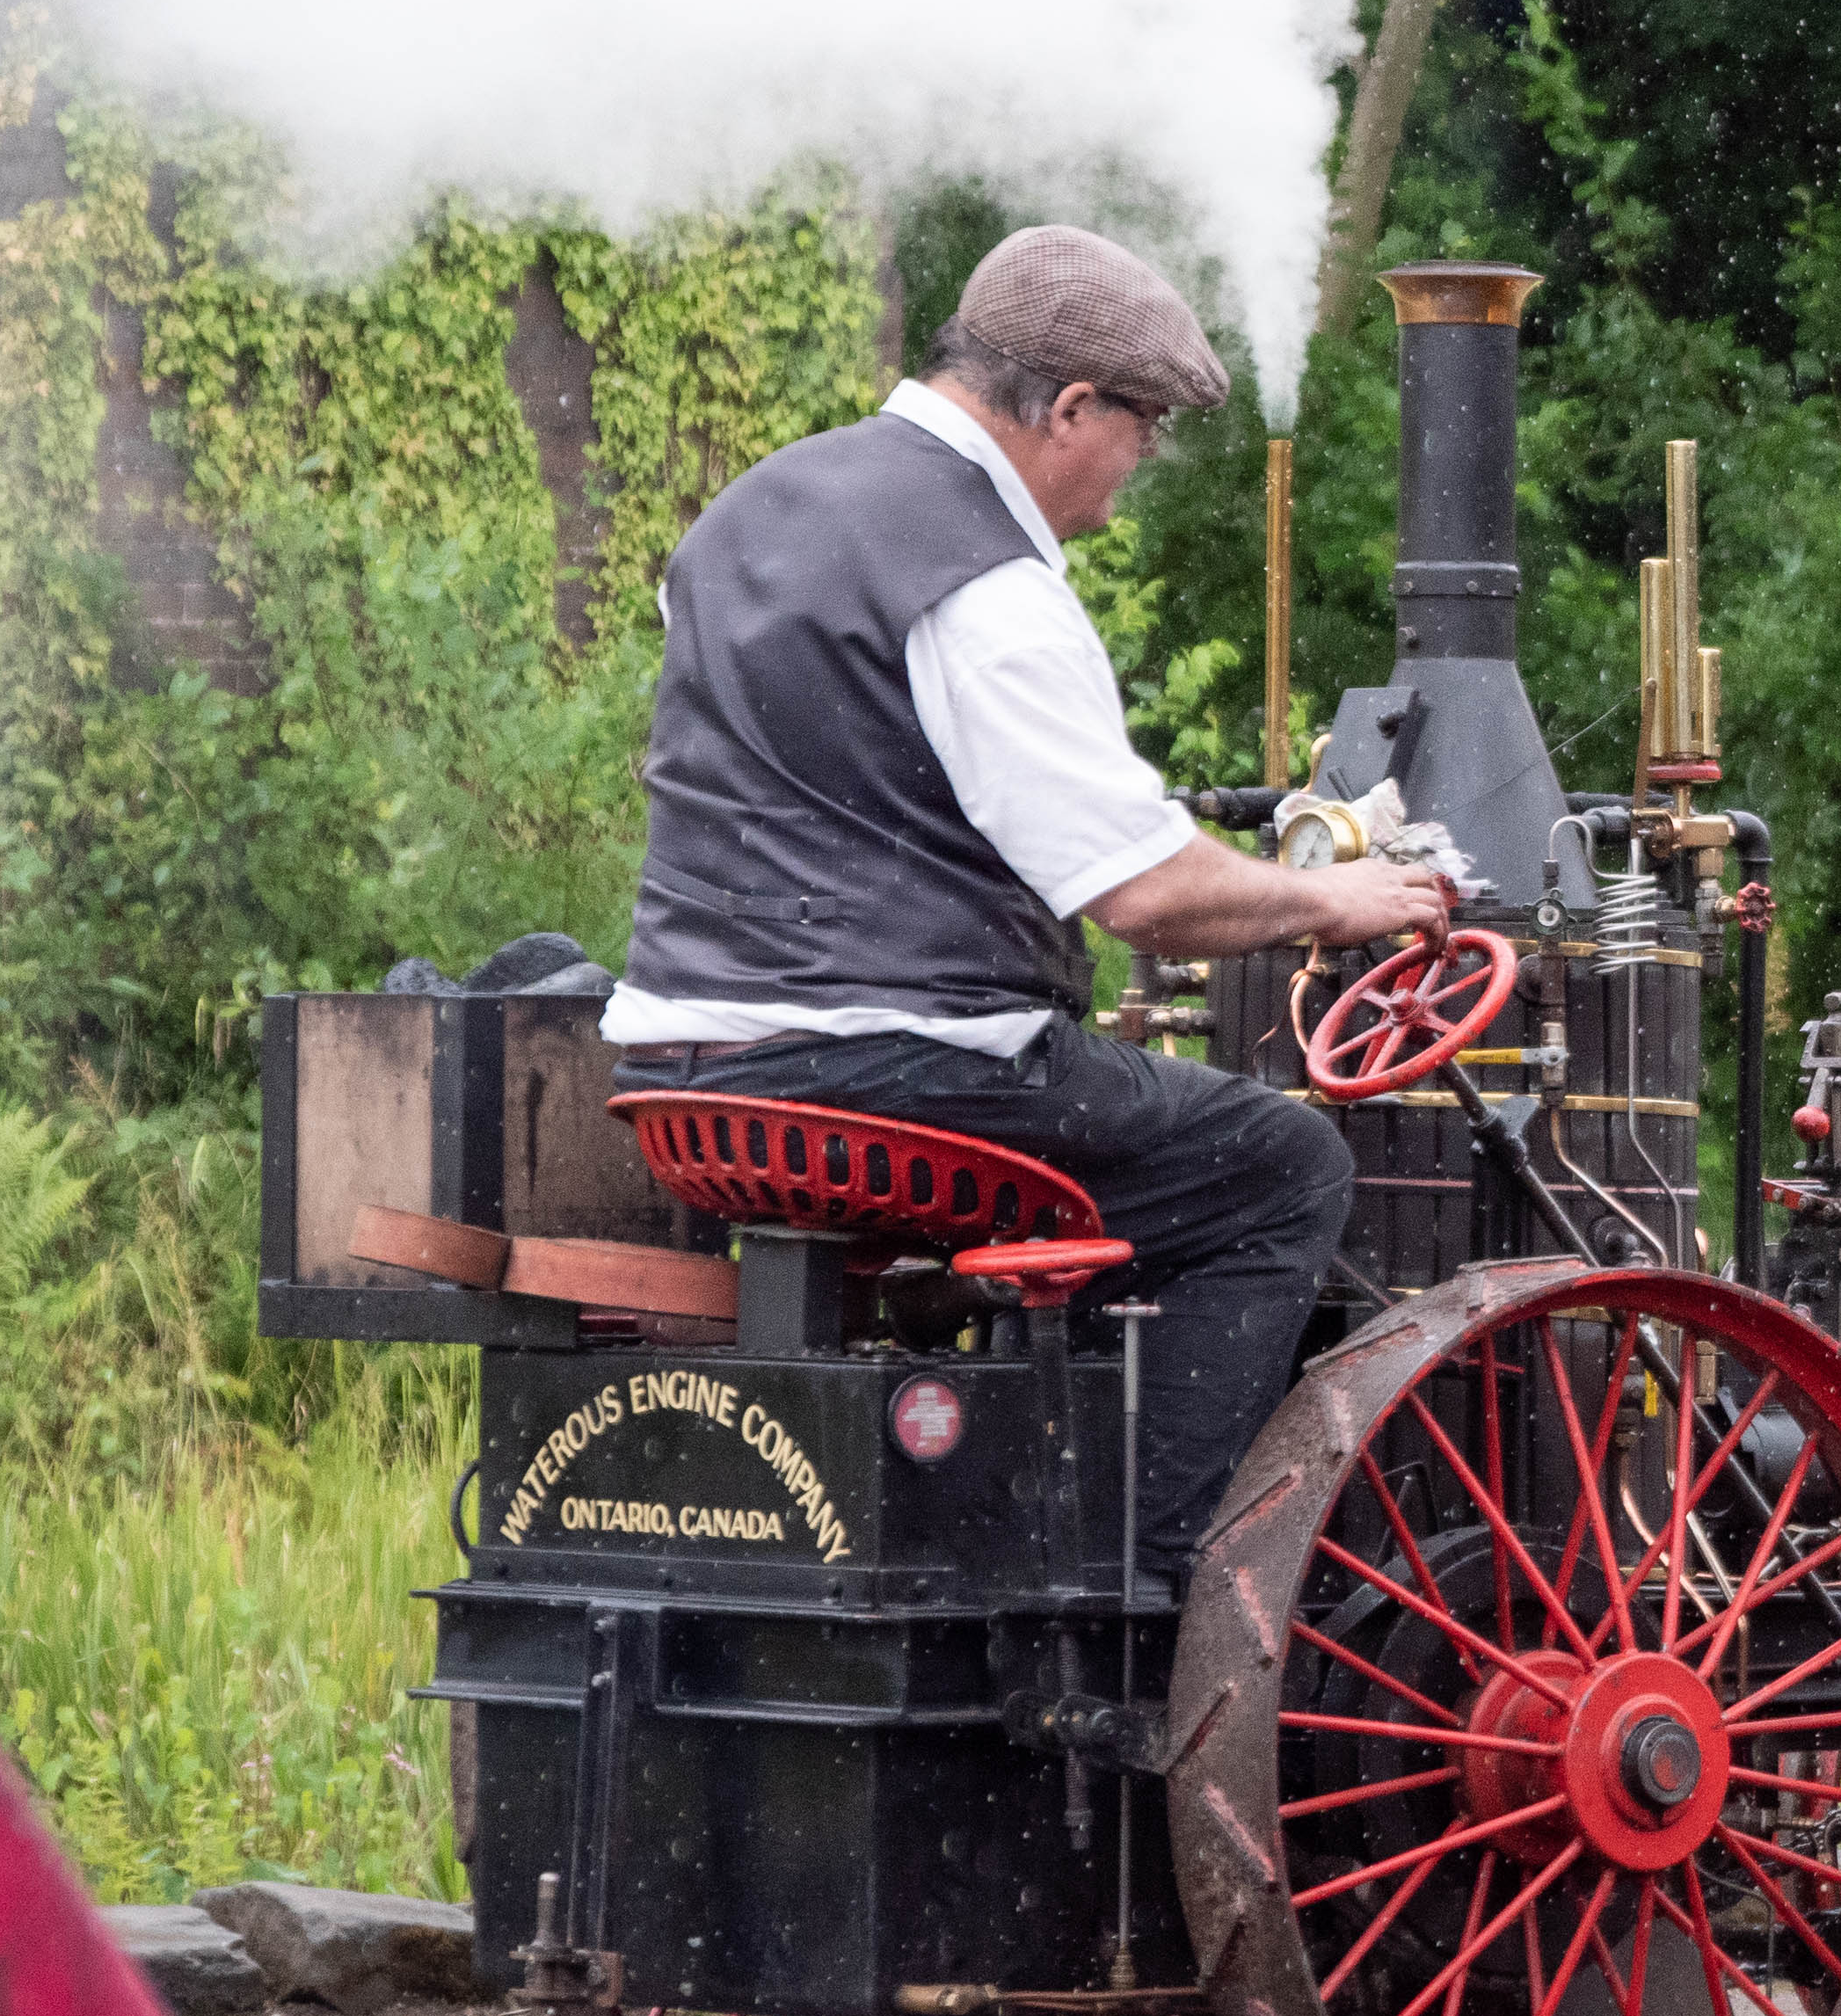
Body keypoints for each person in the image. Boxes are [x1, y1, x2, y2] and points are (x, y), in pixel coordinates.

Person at [601, 222, 1444, 1596]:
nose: (1143, 464)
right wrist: (1331, 900)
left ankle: (1012, 1502)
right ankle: (1141, 1589)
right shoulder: (986, 584)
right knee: (1284, 1166)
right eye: (1146, 426)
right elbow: (1150, 897)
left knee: (1142, 1141)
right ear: (1067, 408)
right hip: (888, 1074)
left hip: (682, 1067)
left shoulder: (747, 513)